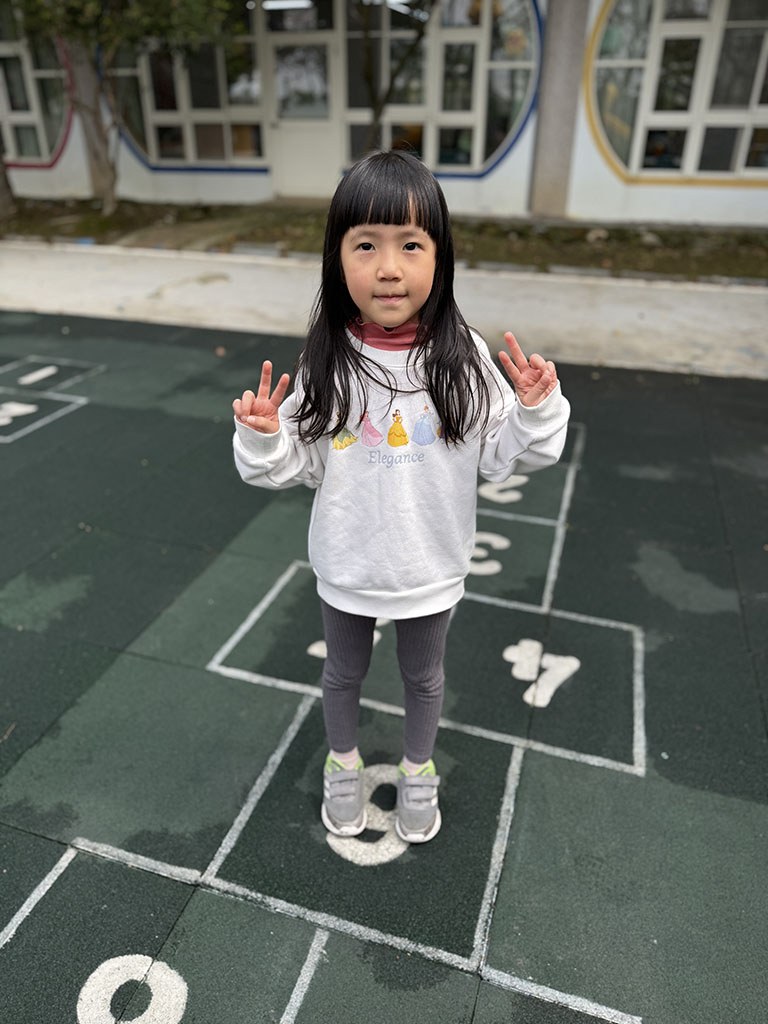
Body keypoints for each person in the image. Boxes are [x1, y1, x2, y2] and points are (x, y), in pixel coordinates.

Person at [232, 150, 570, 845]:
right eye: (366, 245)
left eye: (411, 245)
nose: (389, 268)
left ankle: (419, 770)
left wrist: (535, 411)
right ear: (336, 260)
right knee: (342, 673)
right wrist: (265, 437)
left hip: (428, 566)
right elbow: (298, 463)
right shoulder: (328, 358)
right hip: (348, 563)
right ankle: (343, 763)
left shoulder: (463, 355)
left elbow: (503, 454)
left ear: (441, 258)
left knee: (424, 677)